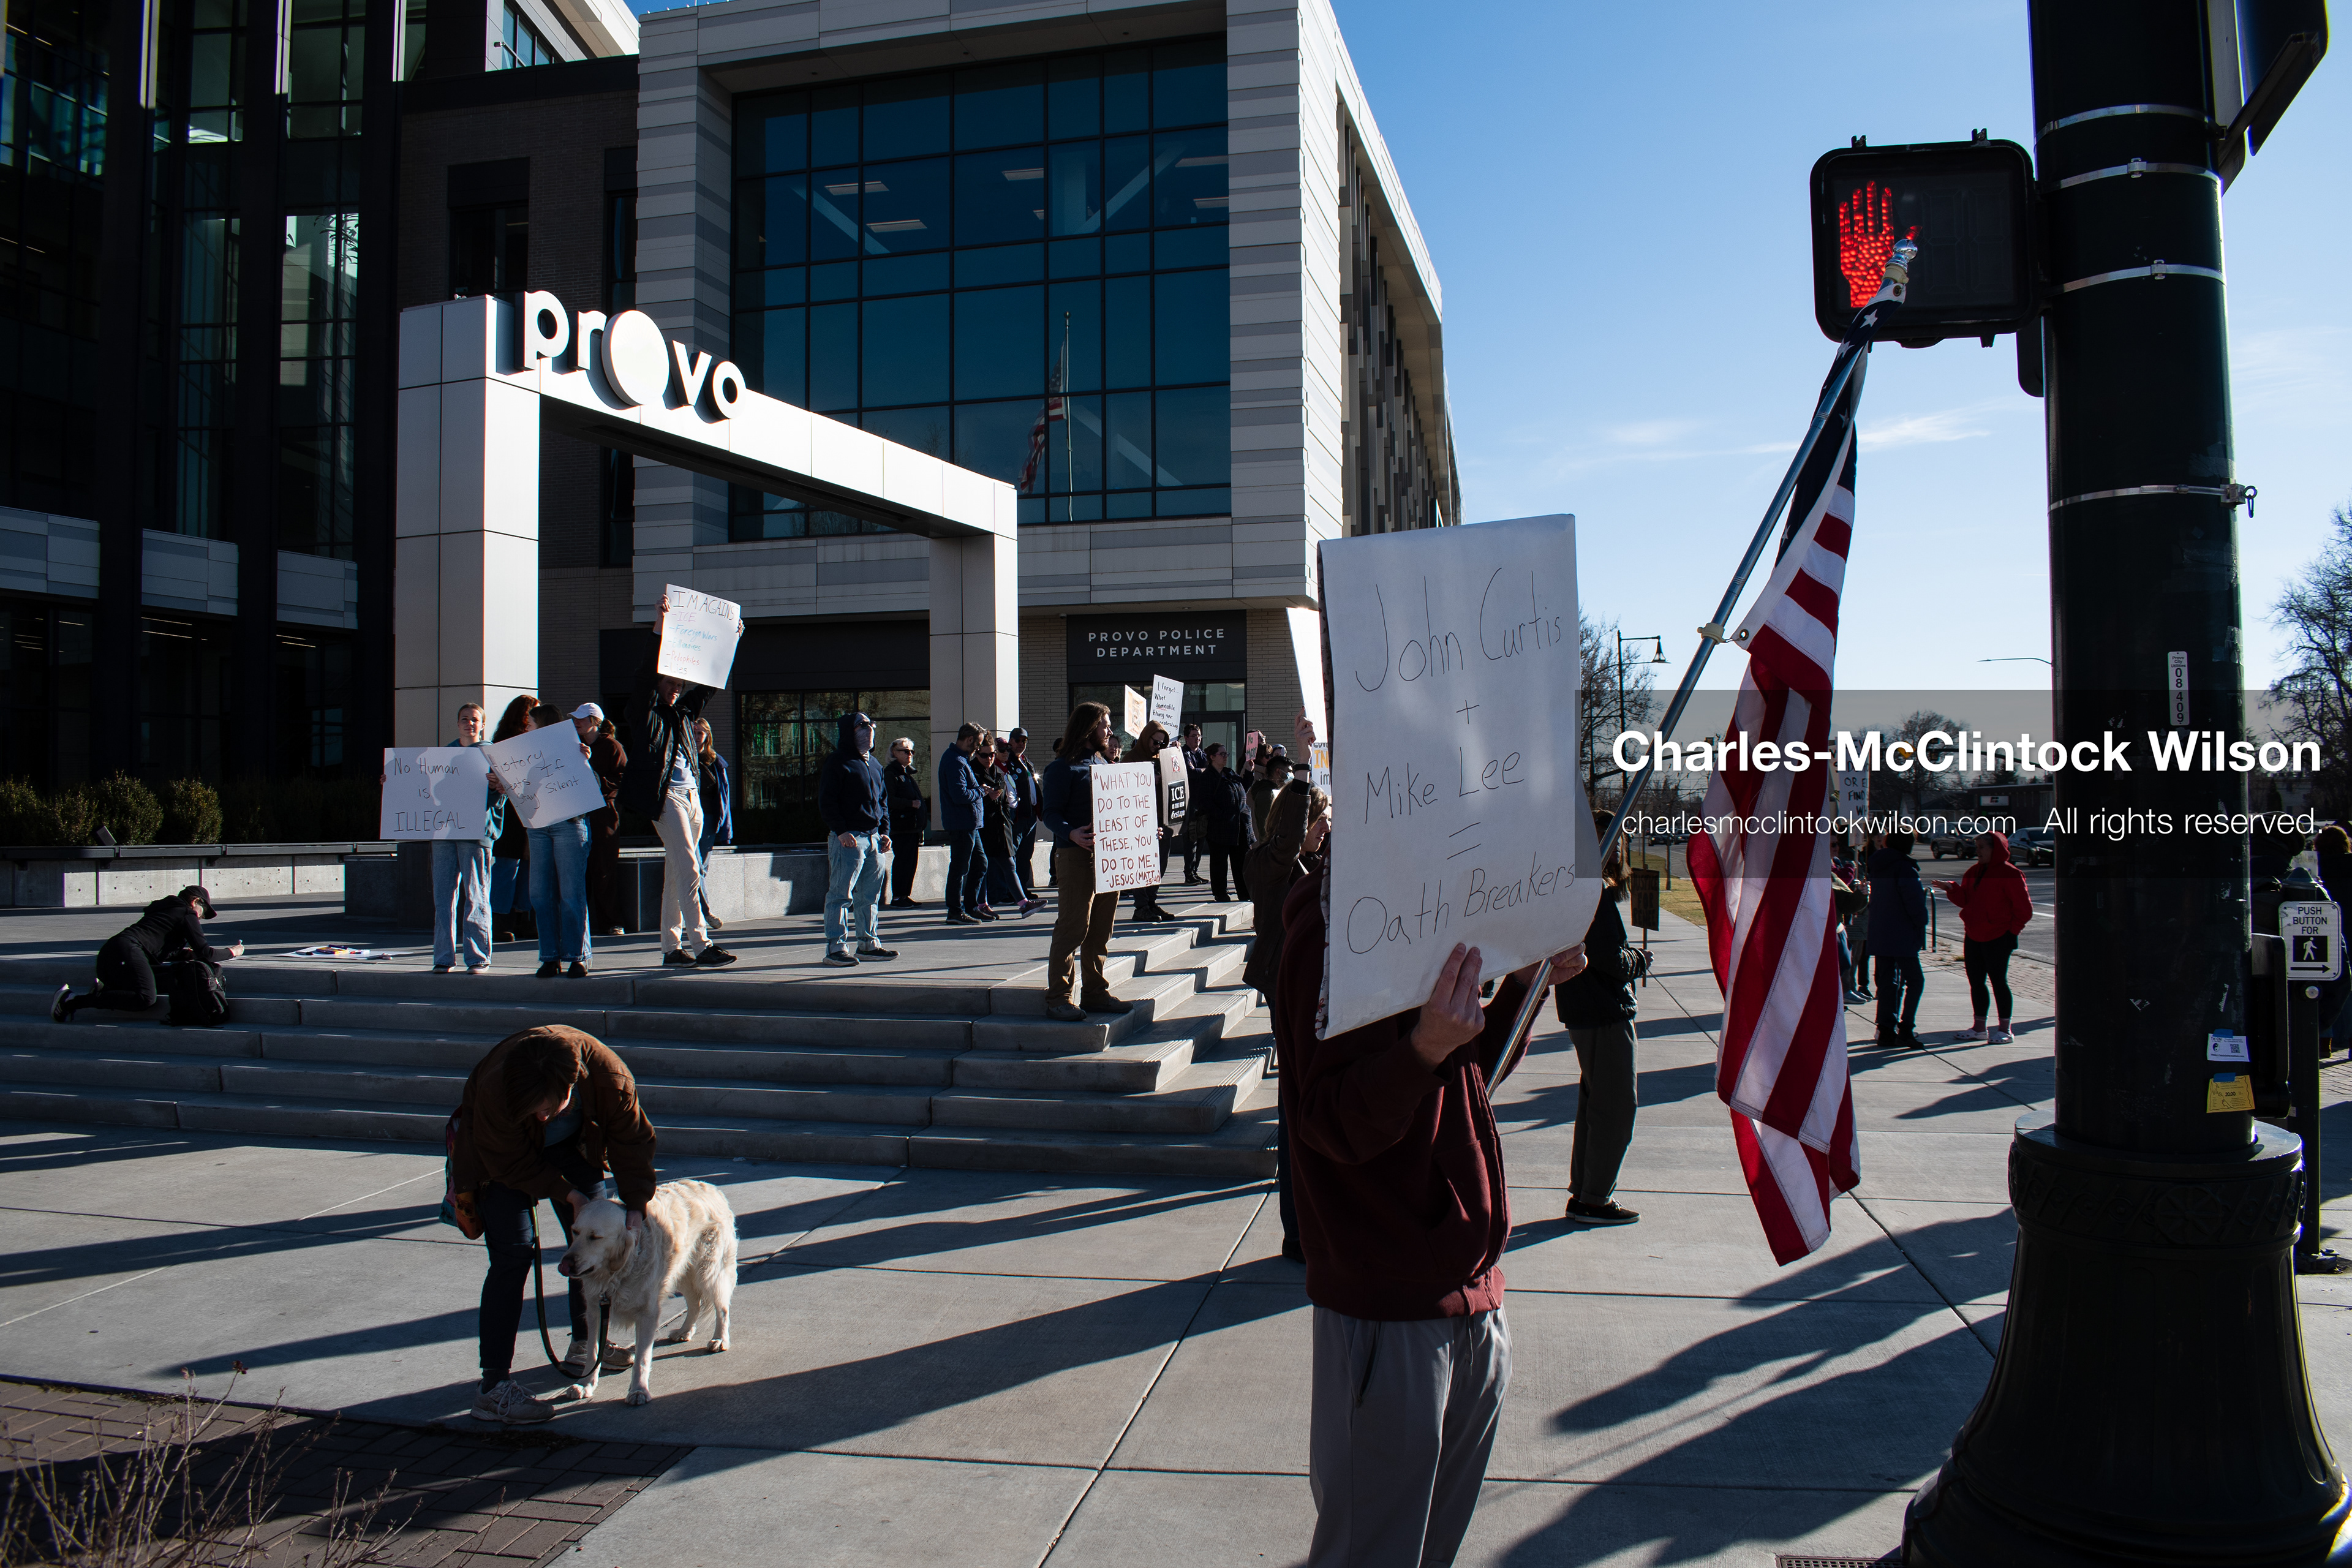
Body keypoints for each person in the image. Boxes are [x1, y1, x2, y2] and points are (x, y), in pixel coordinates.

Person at [1275, 857, 1586, 1568]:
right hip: (1388, 1311)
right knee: (1373, 1552)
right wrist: (1423, 1048)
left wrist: (1523, 985)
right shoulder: (1333, 925)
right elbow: (1326, 1120)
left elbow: (1466, 1069)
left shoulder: (1434, 906)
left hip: (1472, 1294)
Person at [450, 1025, 655, 1425]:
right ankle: (493, 1389)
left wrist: (636, 1203)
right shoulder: (497, 1086)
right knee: (512, 1256)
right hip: (501, 1160)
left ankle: (587, 1344)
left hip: (574, 1148)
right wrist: (569, 1195)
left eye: (547, 1108)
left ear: (571, 1088)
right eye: (533, 1112)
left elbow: (633, 1140)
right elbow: (507, 1162)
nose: (542, 1117)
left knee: (589, 1246)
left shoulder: (609, 1078)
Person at [618, 594, 737, 968]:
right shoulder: (644, 713)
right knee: (687, 862)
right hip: (665, 795)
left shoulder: (685, 715)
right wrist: (659, 627)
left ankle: (671, 948)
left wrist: (730, 639)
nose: (675, 687)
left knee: (677, 868)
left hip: (692, 797)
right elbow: (642, 678)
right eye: (668, 681)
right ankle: (701, 944)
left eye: (679, 683)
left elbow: (711, 684)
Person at [1243, 769, 1330, 1264]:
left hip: (1317, 991)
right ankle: (1297, 1231)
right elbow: (1287, 845)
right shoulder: (1268, 863)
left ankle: (1311, 1223)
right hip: (1286, 988)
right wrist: (1301, 782)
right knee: (1296, 1107)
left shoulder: (1316, 862)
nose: (1325, 830)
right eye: (1321, 821)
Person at [1552, 811, 1652, 1226]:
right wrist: (1639, 960)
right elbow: (1609, 959)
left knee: (1596, 1103)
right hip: (1603, 1008)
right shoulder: (1590, 887)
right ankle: (1594, 1198)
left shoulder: (1577, 883)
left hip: (1585, 1005)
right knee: (1615, 1106)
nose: (1610, 845)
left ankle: (1587, 1190)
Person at [1038, 702, 1133, 1022]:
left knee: (1101, 930)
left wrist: (1146, 830)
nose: (1110, 730)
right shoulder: (1062, 768)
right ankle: (1059, 998)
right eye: (1105, 725)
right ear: (1089, 727)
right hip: (1076, 857)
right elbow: (1049, 813)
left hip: (1111, 858)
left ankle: (1095, 993)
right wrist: (1070, 833)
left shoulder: (1106, 766)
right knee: (1073, 927)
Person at [51, 885, 244, 1021]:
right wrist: (233, 952)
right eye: (202, 913)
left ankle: (109, 990)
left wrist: (184, 955)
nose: (200, 918)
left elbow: (155, 946)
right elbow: (206, 953)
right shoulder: (186, 913)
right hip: (126, 953)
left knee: (174, 977)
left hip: (117, 954)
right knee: (145, 998)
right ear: (195, 902)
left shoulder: (167, 912)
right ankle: (70, 1001)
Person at [1936, 832, 2034, 1043]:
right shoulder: (1974, 871)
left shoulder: (2010, 874)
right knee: (1976, 982)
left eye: (1982, 848)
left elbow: (2024, 910)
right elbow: (1966, 901)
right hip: (1974, 935)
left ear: (1995, 849)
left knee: (1999, 982)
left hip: (1999, 936)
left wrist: (2012, 933)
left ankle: (2005, 1030)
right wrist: (1952, 889)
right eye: (1977, 847)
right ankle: (1979, 1028)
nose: (1977, 851)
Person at [816, 710, 897, 965]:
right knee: (841, 895)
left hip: (874, 839)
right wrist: (841, 830)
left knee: (869, 897)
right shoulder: (838, 762)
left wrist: (885, 831)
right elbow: (827, 801)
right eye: (862, 725)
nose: (869, 729)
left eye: (871, 724)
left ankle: (868, 944)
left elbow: (882, 801)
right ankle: (836, 948)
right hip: (849, 839)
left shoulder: (874, 764)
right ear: (849, 732)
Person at [434, 703, 505, 974]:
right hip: (443, 831)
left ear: (483, 724)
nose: (470, 723)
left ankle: (477, 957)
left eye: (475, 719)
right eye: (464, 719)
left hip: (476, 833)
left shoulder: (493, 754)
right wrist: (393, 783)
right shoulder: (443, 754)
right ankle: (443, 957)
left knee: (475, 895)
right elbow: (428, 791)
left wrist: (498, 786)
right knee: (443, 897)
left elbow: (505, 794)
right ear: (458, 723)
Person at [526, 704, 595, 978]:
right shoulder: (521, 754)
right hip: (538, 827)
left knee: (570, 893)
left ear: (542, 724)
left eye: (530, 722)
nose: (526, 726)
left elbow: (593, 792)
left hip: (569, 825)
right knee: (540, 893)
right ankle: (550, 956)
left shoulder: (572, 748)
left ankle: (578, 956)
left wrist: (585, 763)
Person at [1867, 832, 1928, 1048]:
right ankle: (1906, 1027)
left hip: (1881, 931)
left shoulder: (1878, 866)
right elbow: (1914, 904)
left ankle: (1885, 1028)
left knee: (1887, 982)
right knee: (1915, 981)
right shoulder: (1905, 868)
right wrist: (1922, 922)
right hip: (1902, 932)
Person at [490, 696, 537, 944]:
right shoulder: (503, 742)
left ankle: (525, 917)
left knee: (530, 866)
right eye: (533, 713)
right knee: (508, 865)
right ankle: (501, 920)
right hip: (510, 812)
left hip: (532, 810)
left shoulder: (539, 740)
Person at [1123, 723, 1177, 922]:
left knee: (1159, 864)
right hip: (1140, 821)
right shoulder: (1131, 759)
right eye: (1156, 742)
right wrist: (1148, 780)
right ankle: (1141, 906)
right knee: (1142, 864)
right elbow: (1123, 789)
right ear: (1146, 738)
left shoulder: (1162, 758)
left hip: (1162, 819)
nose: (1159, 746)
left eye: (1163, 743)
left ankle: (1152, 902)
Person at [938, 721, 990, 924]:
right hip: (962, 823)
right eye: (976, 745)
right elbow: (960, 795)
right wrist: (981, 791)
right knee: (960, 867)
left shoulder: (959, 759)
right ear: (969, 740)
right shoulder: (955, 761)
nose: (977, 750)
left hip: (969, 823)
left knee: (980, 864)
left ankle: (970, 907)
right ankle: (955, 911)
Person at [584, 710, 628, 937]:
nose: (576, 723)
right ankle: (582, 923)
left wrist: (597, 780)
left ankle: (611, 921)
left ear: (594, 722)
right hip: (579, 815)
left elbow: (624, 780)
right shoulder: (574, 745)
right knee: (580, 872)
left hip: (604, 814)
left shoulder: (612, 747)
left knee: (603, 869)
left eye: (581, 719)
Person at [693, 718, 733, 934]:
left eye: (701, 733)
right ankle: (705, 912)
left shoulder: (715, 761)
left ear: (707, 736)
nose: (697, 736)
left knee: (701, 870)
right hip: (686, 817)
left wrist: (725, 827)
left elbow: (724, 797)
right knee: (694, 867)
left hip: (708, 820)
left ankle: (694, 913)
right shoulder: (682, 757)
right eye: (694, 732)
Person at [1199, 742, 1252, 902]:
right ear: (1212, 757)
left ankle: (1244, 893)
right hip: (1220, 827)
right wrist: (1223, 815)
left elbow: (1243, 787)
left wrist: (1249, 772)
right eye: (1222, 754)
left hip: (1239, 825)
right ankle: (1221, 893)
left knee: (1241, 862)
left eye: (1226, 754)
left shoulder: (1229, 773)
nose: (1225, 757)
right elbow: (1205, 802)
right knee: (1219, 862)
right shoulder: (1208, 777)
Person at [1003, 728, 1044, 915]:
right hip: (1018, 816)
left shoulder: (1028, 763)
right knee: (1013, 854)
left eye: (1024, 741)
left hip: (1031, 816)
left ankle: (1023, 890)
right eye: (1018, 740)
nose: (1021, 744)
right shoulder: (1008, 762)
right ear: (1010, 742)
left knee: (1026, 854)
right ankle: (1010, 892)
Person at [884, 737, 928, 907]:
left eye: (912, 751)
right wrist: (910, 804)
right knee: (902, 861)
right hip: (901, 827)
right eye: (906, 751)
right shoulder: (891, 774)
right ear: (894, 753)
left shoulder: (906, 773)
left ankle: (904, 894)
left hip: (912, 827)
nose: (910, 754)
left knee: (911, 863)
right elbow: (889, 800)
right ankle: (897, 897)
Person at [1178, 722, 1208, 884]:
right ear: (1186, 738)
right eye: (1194, 736)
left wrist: (1201, 772)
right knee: (1190, 838)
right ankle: (1188, 872)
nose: (1197, 739)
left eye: (1199, 736)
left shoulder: (1203, 755)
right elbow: (1191, 773)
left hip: (1202, 803)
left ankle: (1195, 871)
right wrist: (1203, 771)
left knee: (1201, 837)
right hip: (1190, 803)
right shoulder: (1183, 753)